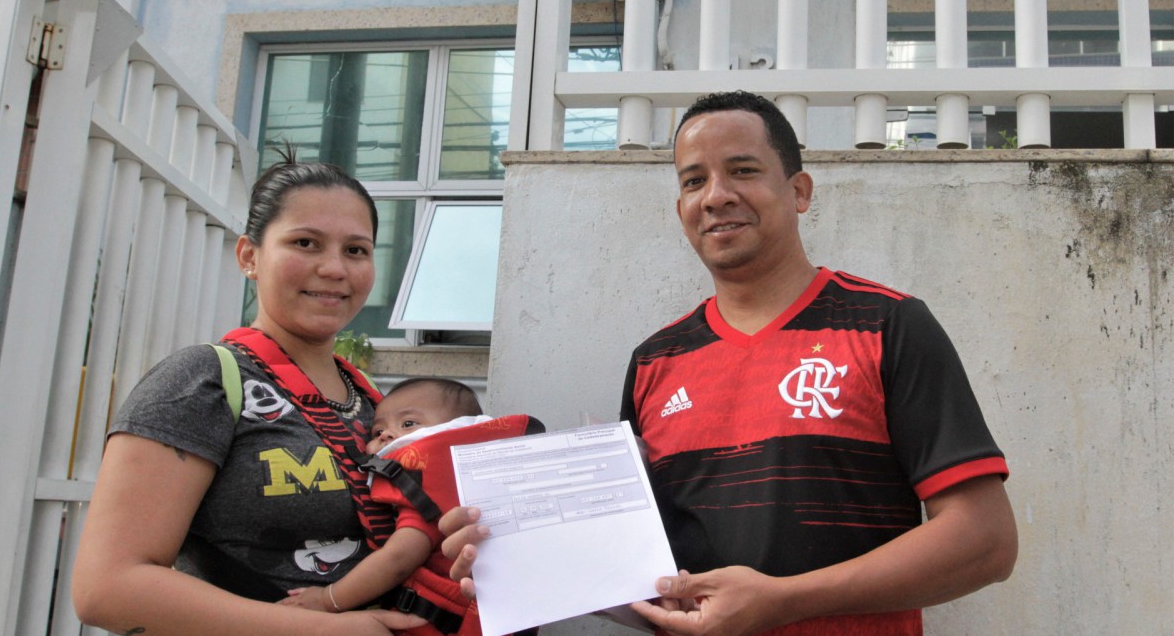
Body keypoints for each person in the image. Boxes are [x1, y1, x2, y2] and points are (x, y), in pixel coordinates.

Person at [441, 91, 1018, 636]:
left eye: (742, 170)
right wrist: (514, 563)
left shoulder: (887, 325)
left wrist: (784, 601)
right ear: (681, 207)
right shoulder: (655, 362)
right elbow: (647, 575)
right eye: (694, 180)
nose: (715, 195)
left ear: (799, 191)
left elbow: (985, 543)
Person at [72, 159, 425, 636]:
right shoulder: (201, 381)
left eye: (356, 250)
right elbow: (107, 589)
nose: (335, 268)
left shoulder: (375, 404)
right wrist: (321, 630)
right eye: (305, 243)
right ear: (249, 257)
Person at [279, 377, 485, 614]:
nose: (386, 434)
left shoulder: (428, 483)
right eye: (377, 431)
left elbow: (398, 558)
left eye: (408, 423)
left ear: (457, 429)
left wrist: (328, 599)